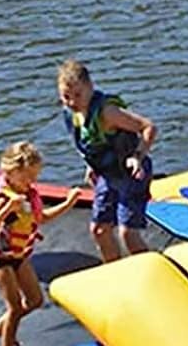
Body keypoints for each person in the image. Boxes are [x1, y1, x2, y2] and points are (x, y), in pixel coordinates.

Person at [0, 141, 84, 346]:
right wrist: (8, 208)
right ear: (11, 172)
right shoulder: (4, 198)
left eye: (34, 177)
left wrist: (68, 203)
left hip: (20, 256)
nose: (31, 182)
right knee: (15, 308)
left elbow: (42, 217)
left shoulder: (28, 194)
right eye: (26, 177)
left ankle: (1, 325)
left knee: (35, 300)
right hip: (1, 260)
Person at [56, 58, 158, 261]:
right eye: (66, 97)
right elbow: (87, 143)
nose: (73, 102)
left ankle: (152, 271)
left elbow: (148, 127)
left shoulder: (107, 113)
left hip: (131, 174)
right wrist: (90, 166)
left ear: (90, 88)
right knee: (99, 230)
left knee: (127, 233)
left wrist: (137, 156)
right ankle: (116, 272)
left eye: (78, 95)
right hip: (107, 175)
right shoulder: (73, 115)